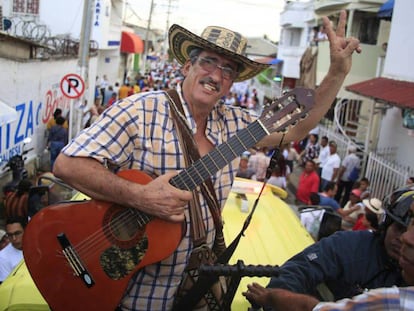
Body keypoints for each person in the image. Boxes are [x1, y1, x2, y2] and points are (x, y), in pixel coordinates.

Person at [53, 11, 361, 310]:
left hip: (194, 294)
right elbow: (67, 165)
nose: (216, 74)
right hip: (129, 296)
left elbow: (298, 126)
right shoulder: (140, 111)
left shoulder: (236, 125)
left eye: (228, 70)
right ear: (187, 66)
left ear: (231, 85)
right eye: (208, 61)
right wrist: (140, 196)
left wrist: (337, 72)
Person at [243, 189, 414, 311]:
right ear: (386, 224)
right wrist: (277, 301)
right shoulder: (351, 246)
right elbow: (301, 268)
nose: (405, 239)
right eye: (400, 228)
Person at [0, 216, 27, 283]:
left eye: (17, 233)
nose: (14, 238)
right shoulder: (3, 257)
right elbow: (6, 284)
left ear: (26, 230)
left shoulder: (37, 246)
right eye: (10, 235)